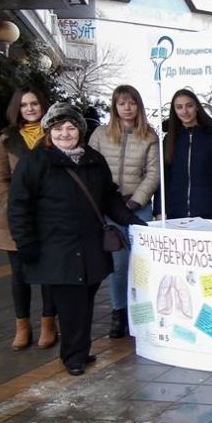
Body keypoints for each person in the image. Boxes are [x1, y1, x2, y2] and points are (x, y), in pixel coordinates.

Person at [8, 103, 146, 376]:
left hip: (90, 244)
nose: (64, 133)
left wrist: (133, 221)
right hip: (55, 246)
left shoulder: (93, 160)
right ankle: (73, 355)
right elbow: (19, 206)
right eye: (58, 128)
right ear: (49, 132)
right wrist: (25, 242)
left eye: (70, 127)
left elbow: (109, 197)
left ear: (80, 131)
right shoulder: (35, 162)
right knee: (70, 302)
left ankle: (80, 350)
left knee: (85, 298)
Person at [88, 85, 159, 338]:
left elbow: (153, 174)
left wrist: (135, 202)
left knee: (140, 265)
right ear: (114, 107)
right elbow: (91, 169)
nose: (127, 108)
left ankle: (142, 314)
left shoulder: (149, 136)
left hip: (138, 208)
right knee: (118, 265)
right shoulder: (99, 134)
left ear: (138, 105)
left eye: (131, 103)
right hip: (108, 208)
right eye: (121, 103)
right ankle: (119, 313)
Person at [0, 87, 58, 350]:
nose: (29, 109)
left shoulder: (55, 134)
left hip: (49, 216)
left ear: (43, 105)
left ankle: (49, 323)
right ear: (17, 109)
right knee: (19, 274)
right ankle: (22, 326)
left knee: (50, 273)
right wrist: (14, 205)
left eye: (34, 104)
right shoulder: (7, 138)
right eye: (24, 105)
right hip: (15, 219)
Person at [156, 89, 212, 221]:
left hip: (208, 212)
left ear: (196, 107)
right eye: (179, 107)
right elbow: (164, 179)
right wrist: (160, 210)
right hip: (175, 214)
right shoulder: (170, 139)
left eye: (189, 105)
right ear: (174, 111)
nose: (184, 111)